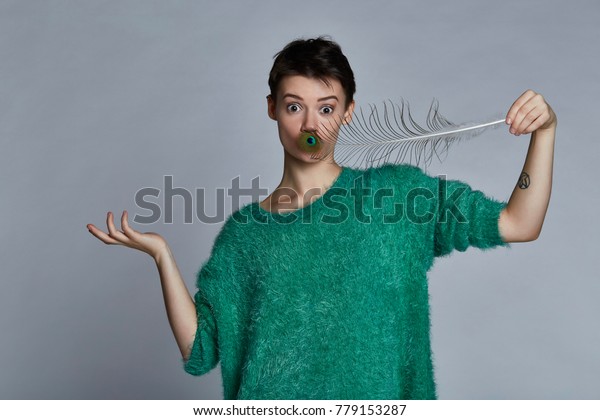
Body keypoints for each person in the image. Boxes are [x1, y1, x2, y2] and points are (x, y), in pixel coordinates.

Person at [87, 37, 557, 399]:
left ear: (349, 112)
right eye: (295, 107)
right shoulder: (245, 236)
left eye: (326, 108)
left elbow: (519, 224)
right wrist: (162, 256)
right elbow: (201, 351)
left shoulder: (399, 196)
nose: (311, 125)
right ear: (272, 109)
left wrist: (545, 133)